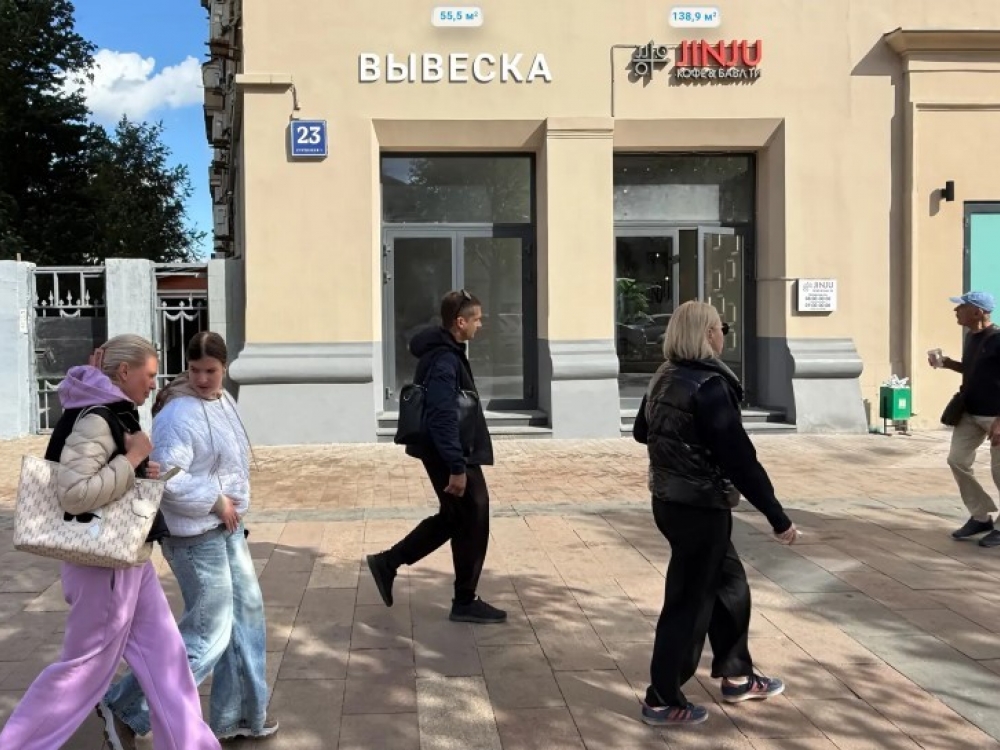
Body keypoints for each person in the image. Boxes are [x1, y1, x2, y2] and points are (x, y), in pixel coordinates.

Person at [0, 335, 219, 750]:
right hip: (104, 566)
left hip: (127, 557)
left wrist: (138, 469)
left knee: (167, 662)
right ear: (123, 371)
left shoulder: (109, 410)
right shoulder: (98, 418)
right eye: (149, 375)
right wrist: (132, 459)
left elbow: (104, 470)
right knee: (83, 672)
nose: (153, 384)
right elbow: (74, 493)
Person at [100, 332, 277, 745]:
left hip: (225, 528)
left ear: (225, 367)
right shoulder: (178, 414)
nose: (201, 378)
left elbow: (228, 464)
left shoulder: (223, 400)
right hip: (194, 536)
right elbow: (168, 478)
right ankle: (124, 707)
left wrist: (229, 505)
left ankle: (237, 715)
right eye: (195, 370)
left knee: (245, 619)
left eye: (210, 370)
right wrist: (216, 501)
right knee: (208, 635)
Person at [632, 301, 798, 727]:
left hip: (669, 501)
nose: (725, 333)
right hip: (699, 507)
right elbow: (740, 460)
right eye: (721, 327)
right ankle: (661, 698)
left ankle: (737, 673)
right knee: (689, 603)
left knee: (730, 585)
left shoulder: (664, 376)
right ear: (708, 334)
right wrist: (776, 515)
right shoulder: (708, 386)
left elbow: (641, 431)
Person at [366, 290, 505, 624]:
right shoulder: (444, 359)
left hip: (447, 450)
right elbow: (443, 416)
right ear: (460, 322)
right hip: (451, 452)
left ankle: (389, 563)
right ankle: (463, 600)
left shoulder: (445, 351)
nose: (480, 325)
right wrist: (456, 466)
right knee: (473, 516)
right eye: (477, 319)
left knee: (457, 518)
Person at [933, 291, 1000, 547]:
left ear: (977, 312)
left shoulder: (998, 339)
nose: (956, 311)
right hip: (970, 413)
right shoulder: (971, 337)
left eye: (961, 307)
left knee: (999, 472)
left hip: (995, 417)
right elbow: (974, 369)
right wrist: (947, 363)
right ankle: (981, 516)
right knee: (957, 460)